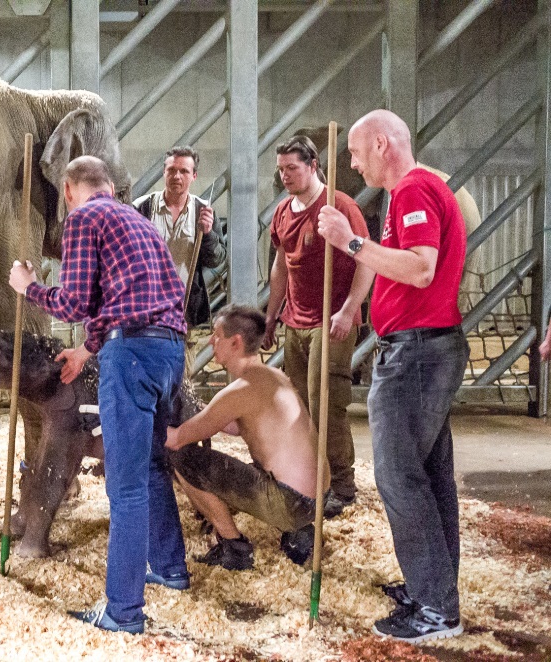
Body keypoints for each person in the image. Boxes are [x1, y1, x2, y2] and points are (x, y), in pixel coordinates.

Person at [9, 155, 189, 635]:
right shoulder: (142, 223)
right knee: (151, 468)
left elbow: (74, 302)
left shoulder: (85, 217)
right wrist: (86, 352)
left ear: (70, 190)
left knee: (124, 486)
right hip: (169, 351)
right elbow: (125, 301)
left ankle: (123, 612)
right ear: (109, 185)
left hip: (129, 356)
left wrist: (29, 288)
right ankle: (170, 569)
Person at [318, 109, 468, 644]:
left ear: (382, 144)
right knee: (428, 476)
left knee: (399, 477)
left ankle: (435, 609)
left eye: (357, 153)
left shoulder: (412, 191)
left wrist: (348, 242)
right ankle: (433, 585)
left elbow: (421, 267)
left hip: (416, 355)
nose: (353, 165)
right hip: (424, 349)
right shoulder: (417, 191)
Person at [263, 135, 374, 519]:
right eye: (281, 170)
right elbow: (281, 268)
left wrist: (348, 310)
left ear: (312, 166)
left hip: (332, 324)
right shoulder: (282, 213)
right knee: (299, 407)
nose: (285, 176)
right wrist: (271, 314)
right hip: (296, 321)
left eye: (292, 168)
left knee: (326, 404)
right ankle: (311, 478)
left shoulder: (339, 206)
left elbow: (367, 261)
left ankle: (342, 485)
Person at [165, 305, 326, 571]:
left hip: (289, 502)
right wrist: (202, 416)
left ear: (235, 342)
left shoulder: (239, 391)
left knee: (182, 457)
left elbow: (176, 439)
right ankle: (299, 532)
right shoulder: (275, 376)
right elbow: (233, 425)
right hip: (317, 500)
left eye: (216, 335)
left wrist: (134, 423)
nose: (210, 341)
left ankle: (234, 546)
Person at [133, 146, 226, 327]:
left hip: (184, 313)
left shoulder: (203, 210)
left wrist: (207, 234)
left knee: (183, 356)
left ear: (194, 176)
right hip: (145, 310)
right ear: (163, 172)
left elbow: (217, 260)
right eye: (171, 170)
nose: (177, 176)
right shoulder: (142, 207)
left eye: (184, 171)